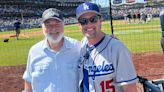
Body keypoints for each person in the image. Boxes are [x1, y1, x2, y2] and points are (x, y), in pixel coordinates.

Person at [76, 2, 138, 92]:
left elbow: (130, 89)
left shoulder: (118, 48)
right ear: (79, 25)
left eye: (93, 19)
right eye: (83, 21)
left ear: (101, 19)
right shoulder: (81, 46)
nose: (89, 25)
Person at [22, 8, 81, 92]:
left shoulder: (77, 47)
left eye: (57, 24)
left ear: (63, 25)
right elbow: (28, 80)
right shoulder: (34, 51)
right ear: (42, 27)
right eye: (48, 25)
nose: (53, 28)